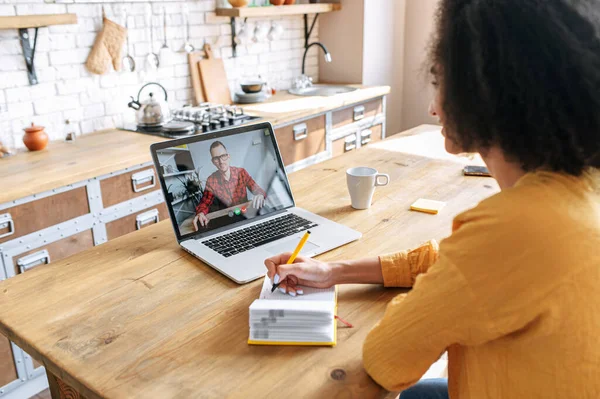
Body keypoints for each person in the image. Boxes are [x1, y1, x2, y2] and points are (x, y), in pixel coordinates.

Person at [265, 1, 600, 398]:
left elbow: (386, 357)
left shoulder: (518, 225)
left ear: (485, 91)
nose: (432, 106)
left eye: (440, 81)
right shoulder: (579, 187)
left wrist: (428, 305)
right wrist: (333, 271)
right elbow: (453, 263)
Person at [193, 141, 267, 230]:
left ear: (228, 157)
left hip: (246, 217)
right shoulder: (211, 180)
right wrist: (200, 212)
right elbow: (205, 202)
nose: (221, 161)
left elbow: (258, 190)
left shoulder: (241, 172)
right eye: (216, 158)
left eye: (223, 156)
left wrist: (260, 195)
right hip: (227, 222)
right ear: (213, 162)